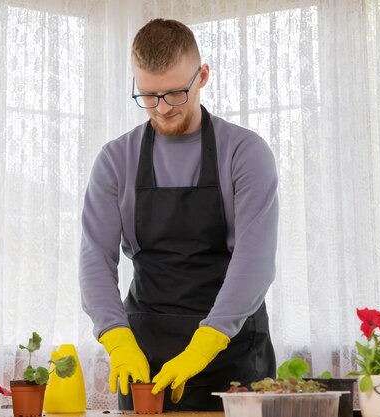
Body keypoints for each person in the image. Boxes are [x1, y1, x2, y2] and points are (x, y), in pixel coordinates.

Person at [79, 18, 278, 411]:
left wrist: (206, 343)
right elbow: (94, 259)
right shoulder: (116, 159)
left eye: (174, 94)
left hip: (231, 351)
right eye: (148, 96)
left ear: (202, 76)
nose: (162, 109)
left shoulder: (245, 153)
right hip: (145, 357)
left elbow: (254, 261)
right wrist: (117, 339)